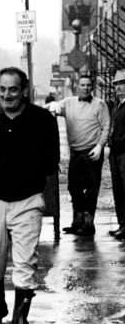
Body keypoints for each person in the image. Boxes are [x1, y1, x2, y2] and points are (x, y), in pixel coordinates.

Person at [0, 66, 59, 324]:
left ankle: (20, 322)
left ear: (24, 91)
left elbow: (51, 161)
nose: (7, 95)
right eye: (2, 90)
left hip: (27, 201)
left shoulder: (43, 120)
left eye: (13, 89)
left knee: (25, 261)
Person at [54, 74, 109, 236]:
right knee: (73, 186)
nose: (85, 88)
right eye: (82, 85)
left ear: (92, 88)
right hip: (76, 153)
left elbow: (106, 126)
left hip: (92, 152)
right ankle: (77, 220)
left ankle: (88, 222)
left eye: (88, 85)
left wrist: (100, 146)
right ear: (77, 86)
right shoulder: (68, 103)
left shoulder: (100, 105)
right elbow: (53, 107)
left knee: (92, 188)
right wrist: (53, 106)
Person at [108, 70, 125, 239]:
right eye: (116, 85)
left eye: (122, 84)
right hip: (115, 154)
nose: (118, 88)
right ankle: (122, 224)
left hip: (123, 153)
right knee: (118, 190)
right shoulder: (117, 106)